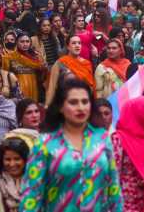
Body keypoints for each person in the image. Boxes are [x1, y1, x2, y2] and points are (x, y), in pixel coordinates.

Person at [19, 79, 122, 211]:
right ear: (61, 107)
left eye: (85, 102)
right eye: (73, 102)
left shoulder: (101, 139)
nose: (80, 107)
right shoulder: (45, 143)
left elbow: (114, 188)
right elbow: (31, 195)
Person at [45, 34, 95, 108]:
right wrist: (47, 105)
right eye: (74, 43)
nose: (77, 45)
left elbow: (91, 85)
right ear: (68, 46)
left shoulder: (87, 63)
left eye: (79, 43)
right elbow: (52, 86)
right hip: (67, 102)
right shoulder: (60, 62)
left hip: (84, 101)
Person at [2, 31, 46, 101]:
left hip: (34, 87)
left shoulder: (36, 57)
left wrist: (43, 69)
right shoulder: (9, 57)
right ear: (16, 43)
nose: (25, 44)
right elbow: (5, 73)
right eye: (22, 42)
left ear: (30, 43)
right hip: (17, 90)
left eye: (27, 41)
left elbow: (42, 76)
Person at [0, 137, 30, 212]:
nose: (12, 164)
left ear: (25, 159)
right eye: (8, 159)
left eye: (17, 159)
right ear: (1, 160)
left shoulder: (34, 180)